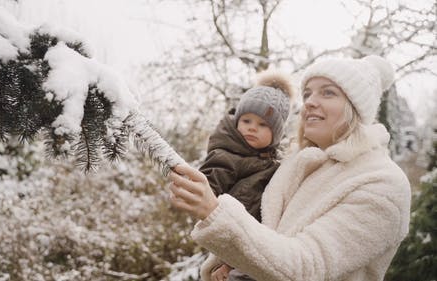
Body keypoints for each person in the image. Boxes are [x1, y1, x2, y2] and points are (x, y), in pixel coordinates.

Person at [168, 55, 411, 281]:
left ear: (356, 108)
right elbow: (266, 237)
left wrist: (215, 211)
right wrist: (229, 264)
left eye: (328, 93)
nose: (310, 103)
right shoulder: (298, 165)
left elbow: (305, 267)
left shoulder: (383, 184)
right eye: (307, 94)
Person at [198, 72, 293, 280]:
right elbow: (207, 187)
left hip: (262, 241)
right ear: (237, 120)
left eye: (263, 125)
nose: (252, 127)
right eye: (247, 120)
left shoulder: (272, 161)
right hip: (231, 238)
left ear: (276, 135)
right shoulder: (227, 153)